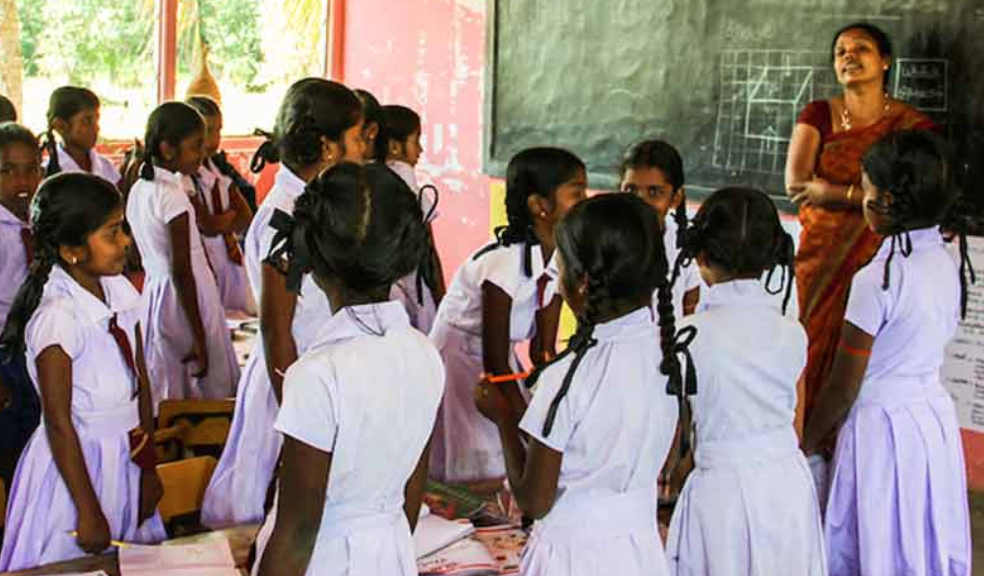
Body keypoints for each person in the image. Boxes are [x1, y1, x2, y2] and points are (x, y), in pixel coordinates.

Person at [476, 192, 680, 576]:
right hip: (640, 549)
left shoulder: (568, 376)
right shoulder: (669, 354)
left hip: (572, 556)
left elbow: (535, 500)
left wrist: (503, 417)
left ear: (582, 283)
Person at [253, 163, 442, 576]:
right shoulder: (425, 354)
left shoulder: (316, 374)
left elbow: (298, 531)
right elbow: (410, 498)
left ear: (314, 264)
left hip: (325, 560)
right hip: (391, 550)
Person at [803, 130, 973, 576]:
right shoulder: (947, 259)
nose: (863, 200)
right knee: (918, 535)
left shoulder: (876, 279)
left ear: (887, 202)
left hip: (880, 430)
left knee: (876, 540)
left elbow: (844, 386)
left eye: (866, 189)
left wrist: (807, 439)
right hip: (930, 420)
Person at [201, 78, 366, 529]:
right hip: (289, 380)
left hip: (315, 375)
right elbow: (277, 329)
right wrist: (296, 418)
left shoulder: (312, 203)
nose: (362, 150)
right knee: (282, 511)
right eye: (356, 138)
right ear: (328, 147)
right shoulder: (285, 218)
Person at [0, 173, 166, 571]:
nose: (126, 241)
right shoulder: (58, 316)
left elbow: (140, 384)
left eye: (123, 228)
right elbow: (58, 421)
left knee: (127, 562)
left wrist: (148, 468)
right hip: (76, 474)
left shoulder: (119, 290)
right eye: (112, 233)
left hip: (126, 459)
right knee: (77, 566)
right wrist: (87, 508)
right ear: (72, 250)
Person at [665, 187, 825, 576]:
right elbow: (795, 426)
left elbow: (678, 437)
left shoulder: (689, 335)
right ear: (773, 256)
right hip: (787, 485)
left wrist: (679, 478)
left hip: (720, 494)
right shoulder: (792, 332)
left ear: (700, 256)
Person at [784, 22, 935, 422]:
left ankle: (843, 439)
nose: (849, 56)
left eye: (861, 48)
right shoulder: (819, 113)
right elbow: (796, 184)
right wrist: (866, 198)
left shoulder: (911, 127)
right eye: (841, 51)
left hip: (880, 258)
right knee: (807, 348)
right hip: (820, 260)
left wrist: (834, 194)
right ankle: (803, 437)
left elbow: (915, 194)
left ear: (885, 61)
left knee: (861, 361)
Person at [429, 147, 584, 482]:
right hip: (460, 354)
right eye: (576, 193)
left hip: (499, 358)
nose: (584, 202)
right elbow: (496, 366)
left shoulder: (559, 258)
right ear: (540, 205)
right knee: (475, 453)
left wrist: (550, 407)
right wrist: (529, 426)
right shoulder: (504, 264)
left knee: (512, 443)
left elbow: (543, 351)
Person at [126, 102, 240, 402]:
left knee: (170, 376)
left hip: (156, 292)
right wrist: (199, 335)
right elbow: (182, 269)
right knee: (202, 380)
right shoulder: (172, 195)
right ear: (167, 149)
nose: (202, 154)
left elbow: (137, 254)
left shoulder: (140, 188)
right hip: (186, 297)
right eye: (195, 146)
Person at [0, 122, 43, 495]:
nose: (22, 181)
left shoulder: (41, 222)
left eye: (31, 169)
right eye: (8, 171)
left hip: (37, 350)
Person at [379, 104, 446, 333]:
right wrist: (441, 298)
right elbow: (429, 253)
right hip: (414, 289)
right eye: (415, 141)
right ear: (394, 146)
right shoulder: (409, 185)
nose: (420, 150)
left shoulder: (368, 183)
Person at [185, 95, 255, 314]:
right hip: (204, 259)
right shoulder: (184, 175)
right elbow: (206, 224)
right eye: (208, 131)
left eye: (218, 130)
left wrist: (222, 221)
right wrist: (228, 218)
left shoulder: (219, 167)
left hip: (229, 255)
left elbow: (245, 215)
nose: (214, 139)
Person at [619, 139, 701, 320]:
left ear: (676, 197)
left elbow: (691, 308)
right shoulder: (601, 237)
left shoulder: (686, 245)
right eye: (630, 190)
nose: (640, 202)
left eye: (654, 192)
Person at [42, 86, 122, 187]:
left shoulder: (107, 167)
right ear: (61, 126)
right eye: (87, 120)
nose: (96, 127)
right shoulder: (48, 173)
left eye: (96, 119)